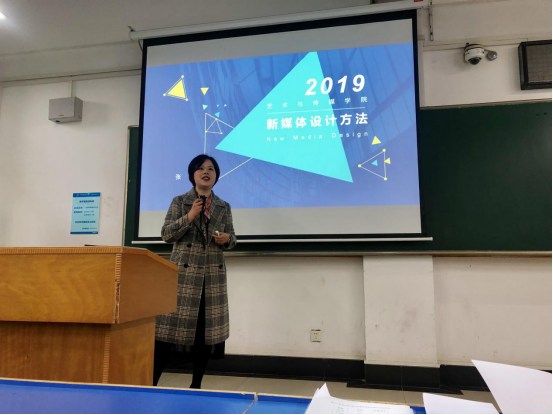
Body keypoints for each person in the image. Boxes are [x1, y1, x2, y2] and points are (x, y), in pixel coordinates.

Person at [153, 154, 237, 389]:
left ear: (216, 176)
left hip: (212, 278)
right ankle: (150, 384)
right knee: (166, 334)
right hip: (184, 278)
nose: (206, 172)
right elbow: (166, 234)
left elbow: (233, 239)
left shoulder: (223, 206)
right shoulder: (180, 202)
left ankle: (196, 386)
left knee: (205, 334)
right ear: (192, 174)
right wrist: (189, 217)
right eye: (200, 168)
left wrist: (227, 239)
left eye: (211, 169)